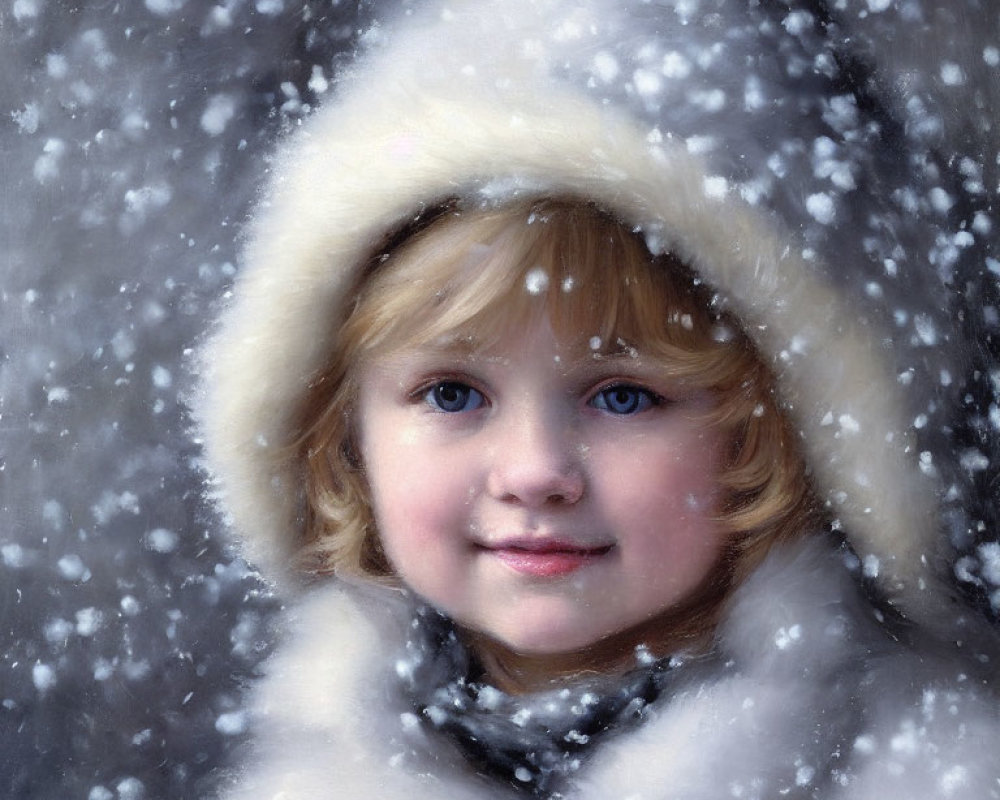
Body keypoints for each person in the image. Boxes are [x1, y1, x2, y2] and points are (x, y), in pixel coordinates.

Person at [196, 1, 1000, 797]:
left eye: (622, 398)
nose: (536, 471)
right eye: (451, 393)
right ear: (345, 436)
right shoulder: (305, 776)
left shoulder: (926, 768)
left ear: (765, 436)